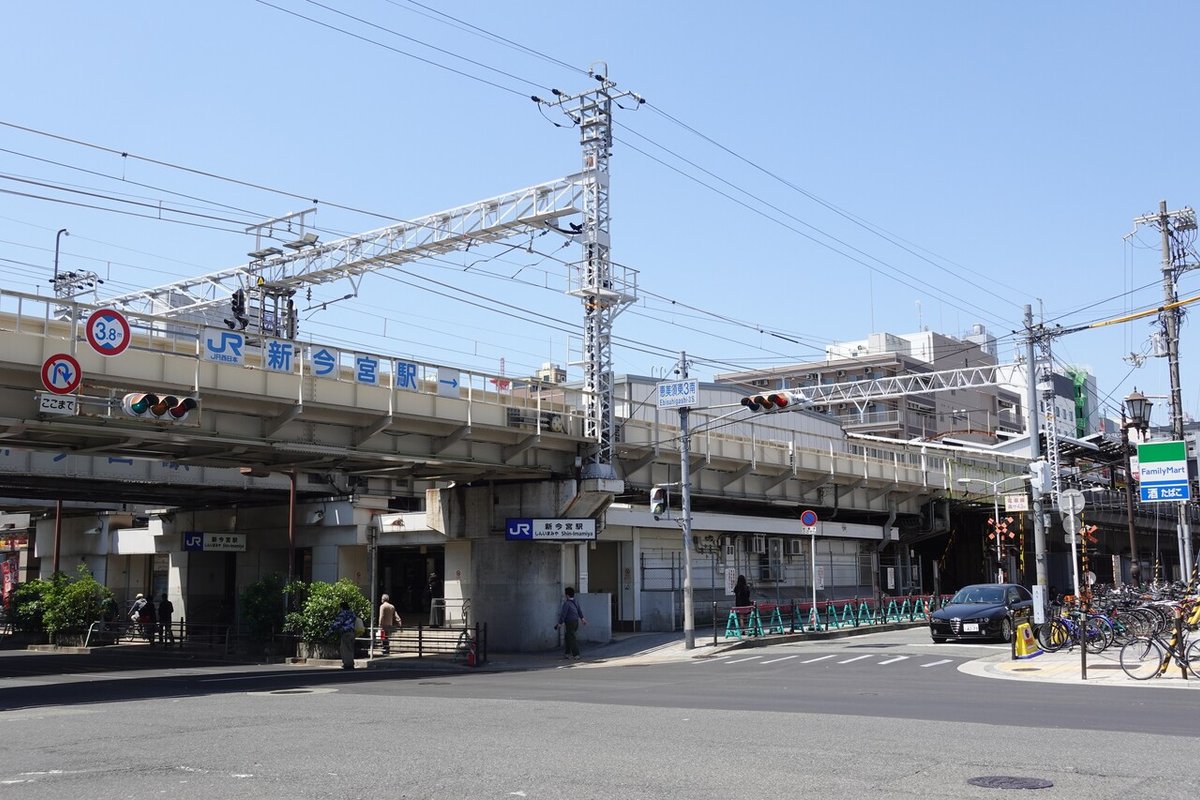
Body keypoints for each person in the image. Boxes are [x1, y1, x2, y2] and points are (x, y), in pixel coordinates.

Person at [554, 586, 587, 660]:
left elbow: (563, 614)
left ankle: (576, 654)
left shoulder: (567, 604)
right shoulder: (575, 601)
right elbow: (579, 611)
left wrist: (560, 623)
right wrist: (582, 619)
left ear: (567, 595)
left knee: (571, 638)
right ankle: (567, 653)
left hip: (570, 623)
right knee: (568, 637)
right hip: (576, 622)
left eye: (565, 594)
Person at [330, 601, 357, 670]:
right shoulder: (352, 613)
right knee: (350, 649)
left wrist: (330, 630)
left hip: (345, 633)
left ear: (342, 607)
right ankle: (351, 663)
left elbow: (338, 623)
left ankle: (347, 664)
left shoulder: (343, 614)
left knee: (344, 649)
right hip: (352, 632)